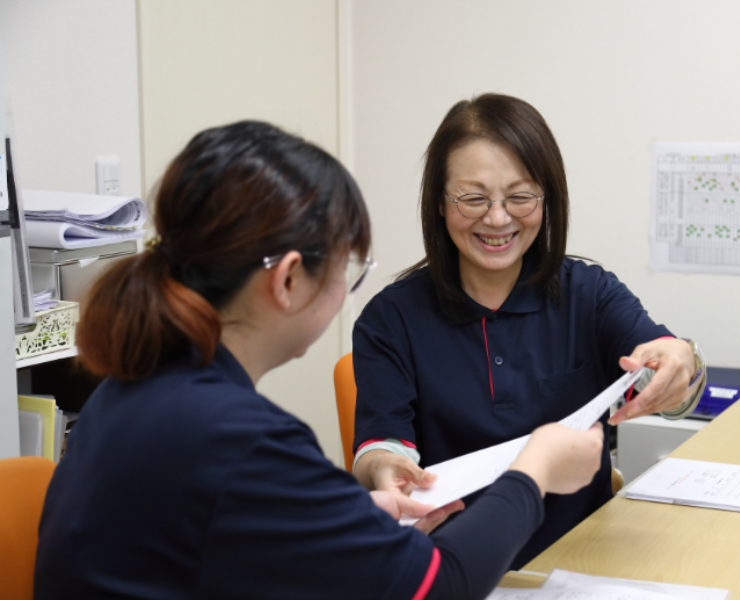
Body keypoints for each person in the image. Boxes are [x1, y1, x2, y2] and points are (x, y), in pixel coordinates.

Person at [34, 120, 607, 600]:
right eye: (345, 270)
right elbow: (442, 587)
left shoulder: (131, 390)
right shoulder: (242, 439)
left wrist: (348, 522)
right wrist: (534, 471)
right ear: (287, 279)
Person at [352, 94, 707, 569]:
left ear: (547, 199)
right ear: (439, 202)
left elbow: (665, 367)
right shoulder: (391, 318)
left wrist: (680, 363)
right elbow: (381, 444)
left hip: (585, 562)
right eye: (473, 198)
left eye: (520, 197)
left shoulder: (589, 292)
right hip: (457, 566)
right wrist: (383, 467)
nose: (498, 218)